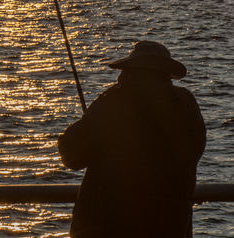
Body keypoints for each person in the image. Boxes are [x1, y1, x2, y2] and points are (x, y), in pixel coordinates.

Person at [58, 40, 205, 238]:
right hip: (170, 227)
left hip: (107, 228)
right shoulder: (186, 105)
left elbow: (72, 155)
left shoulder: (115, 102)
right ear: (165, 74)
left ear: (130, 71)